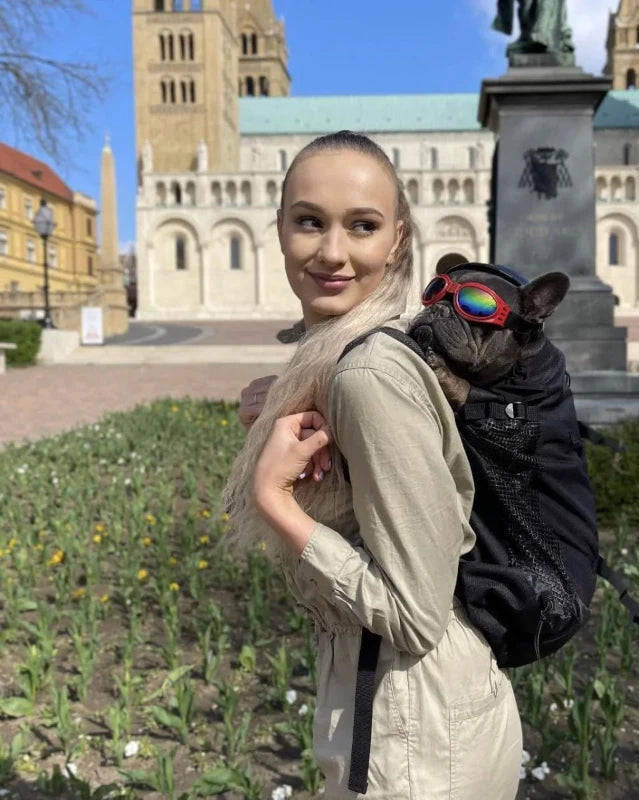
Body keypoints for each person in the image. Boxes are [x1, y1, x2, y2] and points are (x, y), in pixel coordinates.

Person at [224, 130, 522, 799]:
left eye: (361, 226)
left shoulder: (368, 376)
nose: (333, 252)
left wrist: (275, 500)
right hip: (402, 720)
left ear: (397, 239)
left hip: (416, 744)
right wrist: (274, 419)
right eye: (309, 222)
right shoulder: (336, 362)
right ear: (278, 229)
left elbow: (414, 615)